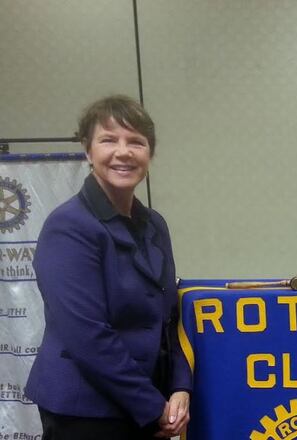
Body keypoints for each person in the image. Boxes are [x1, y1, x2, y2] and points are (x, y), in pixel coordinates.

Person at [26, 95, 192, 439]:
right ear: (88, 152)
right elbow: (86, 335)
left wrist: (179, 388)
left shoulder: (154, 224)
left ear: (150, 154)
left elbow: (168, 317)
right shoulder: (69, 226)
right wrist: (153, 407)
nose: (124, 152)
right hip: (86, 412)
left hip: (146, 404)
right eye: (108, 140)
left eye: (136, 142)